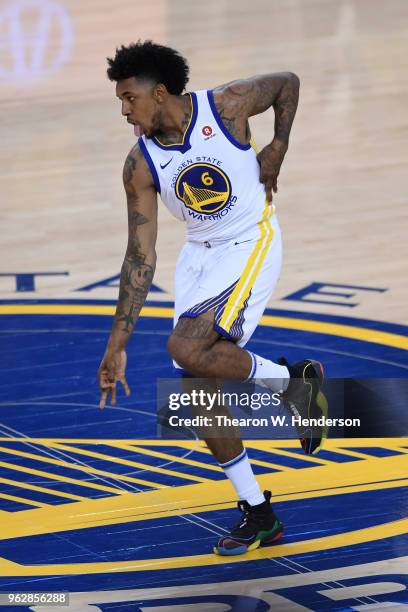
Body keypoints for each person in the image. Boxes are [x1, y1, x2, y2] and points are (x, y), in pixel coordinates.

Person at [98, 40, 328, 556]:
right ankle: (259, 512)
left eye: (129, 98)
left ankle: (293, 386)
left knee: (186, 348)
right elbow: (140, 257)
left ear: (159, 93)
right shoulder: (140, 163)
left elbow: (288, 80)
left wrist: (278, 146)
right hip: (200, 256)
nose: (124, 110)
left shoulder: (226, 105)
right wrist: (117, 342)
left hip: (250, 239)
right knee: (197, 389)